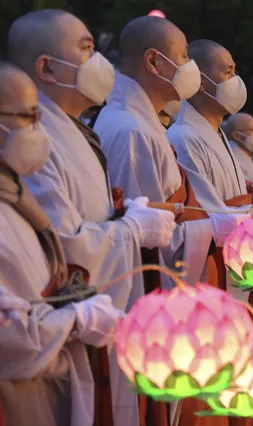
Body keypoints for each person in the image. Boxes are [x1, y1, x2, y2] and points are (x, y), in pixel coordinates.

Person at [7, 10, 178, 426]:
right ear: (46, 67)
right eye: (86, 49)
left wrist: (124, 220)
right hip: (52, 336)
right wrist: (130, 230)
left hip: (93, 320)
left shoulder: (72, 128)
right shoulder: (29, 139)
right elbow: (64, 245)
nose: (100, 61)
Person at [92, 17, 252, 426]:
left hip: (187, 272)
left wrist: (226, 219)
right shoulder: (129, 128)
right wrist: (218, 225)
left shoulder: (142, 122)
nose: (191, 70)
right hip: (157, 294)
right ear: (154, 61)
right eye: (184, 58)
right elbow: (148, 238)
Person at [0, 59, 124, 426]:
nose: (40, 129)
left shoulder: (15, 192)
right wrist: (72, 320)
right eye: (29, 117)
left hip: (53, 375)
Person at [167, 39, 253, 210]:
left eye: (234, 71)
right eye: (228, 72)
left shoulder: (216, 133)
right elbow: (203, 212)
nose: (236, 80)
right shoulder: (182, 138)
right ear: (201, 82)